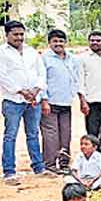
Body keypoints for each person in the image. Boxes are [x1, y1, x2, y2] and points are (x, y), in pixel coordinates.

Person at [0, 20, 47, 184]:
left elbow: (41, 73)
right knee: (10, 136)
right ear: (6, 34)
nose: (19, 37)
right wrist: (21, 91)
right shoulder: (0, 53)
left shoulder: (31, 52)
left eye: (21, 34)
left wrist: (36, 90)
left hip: (33, 100)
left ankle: (39, 167)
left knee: (33, 134)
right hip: (13, 100)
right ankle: (9, 171)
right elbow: (3, 77)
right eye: (15, 34)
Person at [40, 29, 81, 172]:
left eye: (61, 41)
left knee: (66, 134)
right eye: (55, 41)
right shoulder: (45, 59)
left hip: (66, 103)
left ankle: (64, 164)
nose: (58, 44)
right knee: (51, 136)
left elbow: (76, 79)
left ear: (65, 42)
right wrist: (44, 100)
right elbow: (41, 81)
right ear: (49, 43)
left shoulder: (72, 58)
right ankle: (50, 165)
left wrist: (79, 97)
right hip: (50, 103)